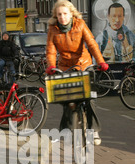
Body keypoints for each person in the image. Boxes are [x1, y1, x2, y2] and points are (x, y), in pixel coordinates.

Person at [45, 0, 109, 145]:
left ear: (71, 13)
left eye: (65, 14)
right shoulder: (53, 29)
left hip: (83, 64)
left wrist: (101, 62)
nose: (62, 17)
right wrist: (51, 66)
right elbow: (50, 50)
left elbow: (91, 43)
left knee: (90, 98)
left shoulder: (80, 24)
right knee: (67, 100)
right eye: (59, 14)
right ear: (56, 15)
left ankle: (94, 131)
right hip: (65, 67)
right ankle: (66, 130)